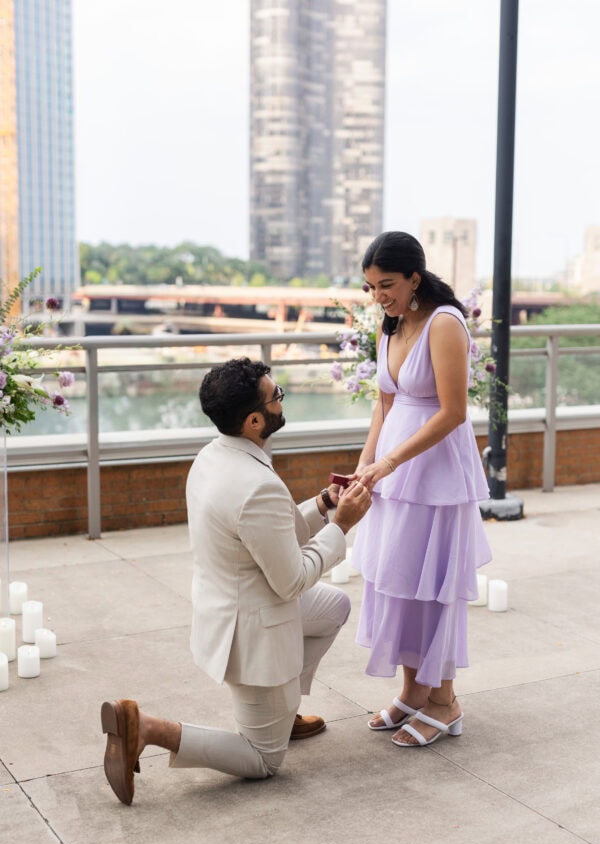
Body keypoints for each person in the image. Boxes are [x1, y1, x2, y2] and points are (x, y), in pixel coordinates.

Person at [101, 357, 371, 804]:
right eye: (276, 395)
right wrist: (342, 525)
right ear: (254, 420)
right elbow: (292, 580)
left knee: (335, 607)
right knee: (263, 759)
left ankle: (285, 711)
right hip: (253, 632)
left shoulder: (213, 456)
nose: (281, 399)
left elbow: (267, 535)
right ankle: (147, 727)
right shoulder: (256, 484)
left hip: (234, 603)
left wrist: (324, 504)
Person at [350, 231, 492, 747]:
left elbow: (453, 412)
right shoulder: (390, 324)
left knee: (433, 587)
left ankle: (444, 701)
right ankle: (413, 691)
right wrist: (364, 465)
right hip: (393, 474)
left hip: (434, 475)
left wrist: (388, 461)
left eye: (386, 285)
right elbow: (384, 404)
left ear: (414, 277)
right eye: (371, 287)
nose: (378, 296)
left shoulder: (444, 322)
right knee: (399, 579)